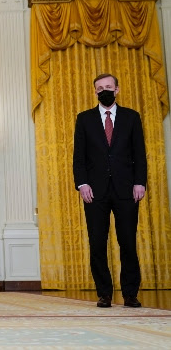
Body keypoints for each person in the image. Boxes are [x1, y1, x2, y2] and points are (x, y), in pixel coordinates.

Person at [73, 73, 147, 308]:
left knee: (127, 242)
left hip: (127, 190)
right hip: (95, 191)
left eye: (108, 87)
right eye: (99, 88)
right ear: (94, 92)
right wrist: (82, 184)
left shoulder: (131, 117)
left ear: (117, 90)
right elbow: (79, 158)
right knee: (97, 242)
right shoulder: (84, 119)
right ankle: (103, 293)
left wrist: (140, 182)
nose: (104, 90)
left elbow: (139, 154)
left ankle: (130, 293)